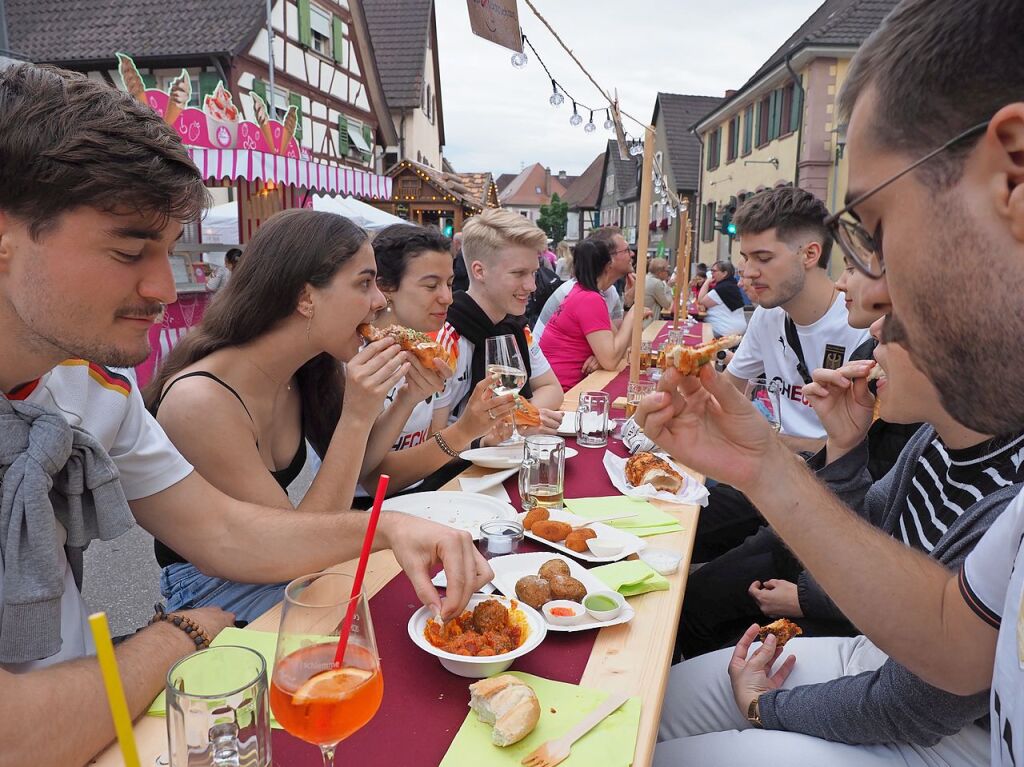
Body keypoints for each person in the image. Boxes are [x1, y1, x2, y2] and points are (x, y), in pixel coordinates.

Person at [0, 64, 489, 766]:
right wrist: (178, 637)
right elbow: (16, 735)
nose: (166, 287)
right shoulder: (188, 395)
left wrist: (394, 524)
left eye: (169, 250)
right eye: (131, 250)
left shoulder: (89, 387)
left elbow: (227, 530)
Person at [638, 1, 1024, 763]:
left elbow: (929, 695)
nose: (873, 297)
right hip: (881, 663)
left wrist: (766, 704)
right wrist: (768, 464)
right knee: (643, 716)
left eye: (875, 227)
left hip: (912, 713)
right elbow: (956, 644)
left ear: (1012, 174)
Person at [660, 313, 1019, 764]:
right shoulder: (937, 437)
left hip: (958, 736)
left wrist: (764, 707)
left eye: (901, 309)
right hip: (880, 659)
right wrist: (845, 448)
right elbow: (846, 556)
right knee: (651, 707)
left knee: (667, 756)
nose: (873, 328)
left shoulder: (1009, 499)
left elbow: (915, 706)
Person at [145, 211, 464, 621]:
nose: (380, 302)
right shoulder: (202, 402)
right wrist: (355, 415)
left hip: (285, 561)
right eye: (364, 283)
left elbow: (358, 469)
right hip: (211, 590)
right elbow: (296, 548)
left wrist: (405, 398)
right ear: (305, 297)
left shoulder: (307, 368)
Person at [690, 187, 871, 562]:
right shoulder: (769, 316)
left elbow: (861, 456)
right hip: (771, 478)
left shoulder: (863, 327)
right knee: (671, 526)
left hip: (826, 502)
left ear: (809, 254)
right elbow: (724, 397)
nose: (747, 271)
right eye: (744, 257)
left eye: (763, 257)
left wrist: (770, 441)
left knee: (702, 601)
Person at [355, 223, 516, 497]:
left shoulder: (431, 348)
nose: (447, 298)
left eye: (450, 284)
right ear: (386, 287)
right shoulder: (359, 358)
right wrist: (464, 431)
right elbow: (374, 479)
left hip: (424, 495)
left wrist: (480, 439)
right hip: (368, 513)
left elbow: (426, 447)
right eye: (431, 285)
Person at [433, 209, 565, 434]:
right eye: (518, 273)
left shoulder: (515, 326)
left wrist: (520, 418)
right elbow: (433, 438)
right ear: (479, 271)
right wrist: (512, 424)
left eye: (533, 273)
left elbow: (552, 389)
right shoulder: (445, 338)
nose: (532, 286)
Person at [539, 237, 646, 391]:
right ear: (608, 266)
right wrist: (633, 314)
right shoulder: (590, 299)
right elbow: (611, 361)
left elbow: (620, 348)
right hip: (565, 391)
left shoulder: (581, 292)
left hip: (558, 386)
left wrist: (628, 305)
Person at [532, 226, 634, 342]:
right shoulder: (576, 293)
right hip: (546, 358)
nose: (632, 254)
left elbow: (618, 341)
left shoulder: (610, 291)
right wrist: (632, 315)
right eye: (626, 250)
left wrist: (628, 304)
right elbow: (613, 352)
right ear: (609, 259)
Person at [697, 260, 747, 337]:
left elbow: (701, 300)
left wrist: (707, 281)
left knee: (694, 329)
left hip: (724, 329)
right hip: (735, 328)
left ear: (724, 273)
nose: (711, 273)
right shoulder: (730, 285)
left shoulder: (723, 288)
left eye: (713, 271)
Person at [644, 257, 674, 328]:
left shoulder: (646, 278)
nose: (668, 273)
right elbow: (667, 304)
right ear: (660, 272)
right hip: (649, 323)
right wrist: (669, 286)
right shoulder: (656, 283)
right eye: (667, 270)